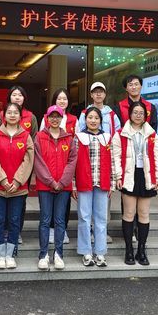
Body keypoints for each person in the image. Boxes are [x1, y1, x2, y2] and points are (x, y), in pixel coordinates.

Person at [112, 101, 158, 266]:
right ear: (130, 114)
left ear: (145, 116)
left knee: (143, 214)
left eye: (141, 113)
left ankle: (141, 250)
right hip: (129, 175)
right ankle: (129, 249)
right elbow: (115, 157)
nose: (138, 115)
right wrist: (118, 177)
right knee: (129, 213)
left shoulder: (151, 134)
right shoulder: (120, 133)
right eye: (135, 112)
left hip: (146, 176)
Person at [0, 102, 34, 269]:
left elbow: (28, 160)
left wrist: (17, 181)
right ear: (3, 115)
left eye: (15, 112)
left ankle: (11, 254)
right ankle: (0, 255)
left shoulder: (26, 136)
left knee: (14, 221)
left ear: (20, 116)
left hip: (18, 188)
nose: (12, 115)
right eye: (9, 112)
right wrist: (2, 179)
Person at [34, 104, 77, 270]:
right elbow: (38, 162)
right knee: (45, 220)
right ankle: (43, 254)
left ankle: (58, 254)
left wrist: (63, 182)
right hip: (45, 186)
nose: (54, 119)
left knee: (60, 221)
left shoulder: (69, 138)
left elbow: (72, 161)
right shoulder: (39, 137)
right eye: (51, 116)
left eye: (57, 116)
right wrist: (51, 182)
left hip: (63, 187)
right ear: (47, 118)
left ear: (62, 118)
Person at [0, 86, 38, 244]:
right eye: (14, 94)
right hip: (3, 165)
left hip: (24, 166)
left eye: (20, 95)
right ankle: (4, 231)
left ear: (24, 98)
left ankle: (16, 231)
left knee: (20, 199)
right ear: (9, 97)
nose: (17, 97)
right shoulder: (1, 116)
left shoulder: (31, 117)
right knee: (2, 201)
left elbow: (33, 140)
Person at [77, 82, 120, 244]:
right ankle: (88, 236)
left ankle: (101, 235)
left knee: (103, 206)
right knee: (85, 208)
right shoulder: (84, 113)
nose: (98, 94)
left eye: (101, 91)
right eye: (95, 92)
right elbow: (80, 134)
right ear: (91, 95)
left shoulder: (112, 114)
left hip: (105, 162)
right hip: (88, 162)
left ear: (105, 94)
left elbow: (117, 135)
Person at [74, 106, 115, 268]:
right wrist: (73, 185)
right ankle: (86, 251)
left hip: (102, 182)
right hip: (84, 181)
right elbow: (73, 163)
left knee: (101, 218)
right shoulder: (79, 137)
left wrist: (112, 183)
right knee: (84, 218)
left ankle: (100, 252)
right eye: (90, 117)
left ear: (100, 120)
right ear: (85, 120)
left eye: (96, 118)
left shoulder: (107, 137)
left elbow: (112, 161)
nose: (93, 120)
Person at [39, 88, 77, 245]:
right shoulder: (45, 120)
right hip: (48, 171)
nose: (62, 101)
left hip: (65, 168)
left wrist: (66, 178)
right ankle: (49, 232)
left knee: (64, 205)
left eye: (65, 98)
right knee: (47, 211)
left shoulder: (74, 119)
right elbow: (41, 144)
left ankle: (62, 230)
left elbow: (76, 144)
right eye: (59, 98)